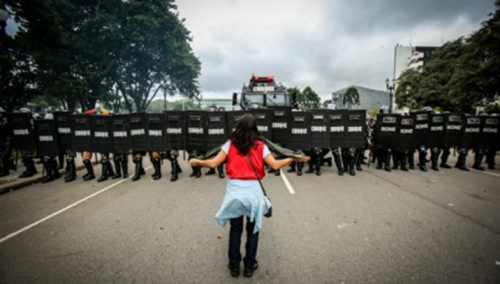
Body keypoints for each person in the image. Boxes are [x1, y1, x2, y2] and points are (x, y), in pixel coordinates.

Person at [189, 114, 309, 278]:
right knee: (252, 231)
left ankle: (234, 266)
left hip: (235, 193)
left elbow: (213, 163)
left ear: (238, 128)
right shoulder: (260, 145)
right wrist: (292, 158)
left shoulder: (230, 144)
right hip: (253, 193)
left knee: (235, 229)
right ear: (255, 129)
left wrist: (197, 162)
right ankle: (249, 266)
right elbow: (274, 165)